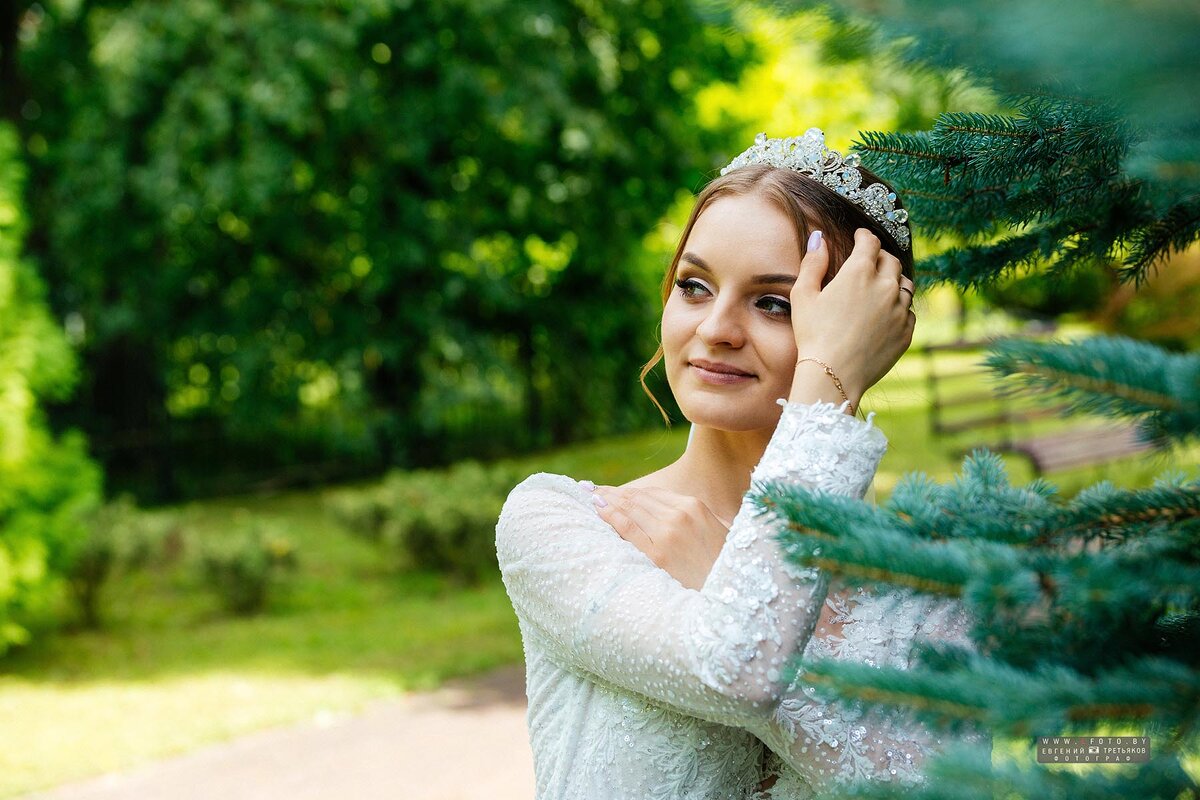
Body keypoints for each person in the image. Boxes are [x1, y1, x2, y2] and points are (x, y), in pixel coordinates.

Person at [495, 129, 980, 799]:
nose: (716, 328)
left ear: (855, 329)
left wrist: (828, 380)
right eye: (694, 286)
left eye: (773, 303)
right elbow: (734, 670)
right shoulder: (568, 522)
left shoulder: (924, 586)